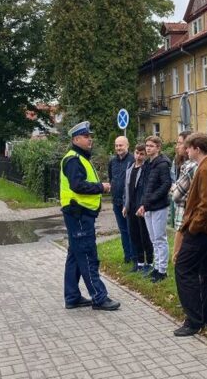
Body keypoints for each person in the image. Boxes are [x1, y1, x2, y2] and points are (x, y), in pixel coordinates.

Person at [60, 121, 119, 311]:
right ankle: (99, 297)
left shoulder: (79, 158)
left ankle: (72, 297)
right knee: (87, 255)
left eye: (89, 136)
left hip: (79, 214)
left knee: (75, 256)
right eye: (86, 136)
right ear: (76, 139)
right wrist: (101, 187)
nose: (90, 139)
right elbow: (77, 185)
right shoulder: (74, 160)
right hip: (79, 214)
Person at [174, 132, 207, 337]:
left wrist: (194, 227)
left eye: (188, 147)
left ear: (196, 148)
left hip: (202, 230)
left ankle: (194, 320)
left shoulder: (205, 168)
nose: (186, 151)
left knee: (184, 268)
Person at [137, 135, 172, 283]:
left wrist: (149, 201)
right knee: (153, 239)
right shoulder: (147, 164)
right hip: (148, 206)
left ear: (158, 147)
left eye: (151, 145)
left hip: (159, 206)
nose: (148, 148)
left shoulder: (162, 164)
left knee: (160, 238)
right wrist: (143, 204)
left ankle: (162, 270)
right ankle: (156, 268)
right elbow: (145, 187)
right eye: (147, 145)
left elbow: (165, 185)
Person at [123, 143, 154, 274]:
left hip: (141, 207)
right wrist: (126, 205)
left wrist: (144, 205)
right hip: (131, 208)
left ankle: (150, 262)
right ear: (134, 153)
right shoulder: (130, 168)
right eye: (137, 153)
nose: (139, 156)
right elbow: (127, 189)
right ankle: (140, 262)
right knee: (134, 235)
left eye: (142, 154)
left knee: (145, 236)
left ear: (145, 155)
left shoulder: (146, 169)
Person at [171, 131, 197, 265]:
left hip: (186, 214)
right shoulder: (180, 163)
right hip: (183, 214)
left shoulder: (191, 166)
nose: (177, 146)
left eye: (180, 143)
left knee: (182, 260)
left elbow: (176, 195)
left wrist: (174, 188)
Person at [109, 136, 135, 264]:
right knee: (123, 230)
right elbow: (111, 178)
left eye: (121, 145)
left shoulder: (133, 160)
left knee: (132, 230)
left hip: (129, 202)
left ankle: (135, 256)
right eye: (116, 145)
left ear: (127, 145)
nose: (118, 148)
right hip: (116, 201)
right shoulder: (112, 162)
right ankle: (127, 256)